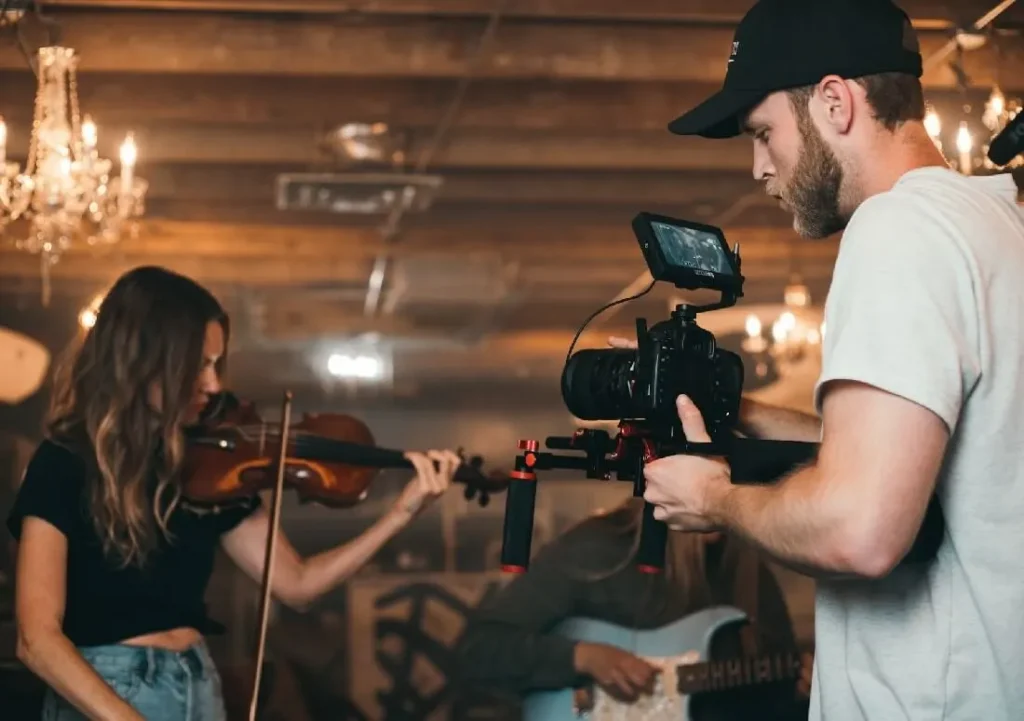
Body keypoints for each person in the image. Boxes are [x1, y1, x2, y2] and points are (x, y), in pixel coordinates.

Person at [636, 1, 1024, 720]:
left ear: (835, 102)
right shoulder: (999, 220)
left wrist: (714, 497)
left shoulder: (894, 229)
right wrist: (743, 415)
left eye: (762, 133)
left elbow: (860, 527)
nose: (758, 167)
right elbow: (940, 452)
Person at [5, 265, 463, 721]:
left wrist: (400, 514)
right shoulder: (62, 463)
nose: (214, 384)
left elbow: (297, 585)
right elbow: (36, 640)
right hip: (104, 693)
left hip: (198, 685)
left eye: (215, 364)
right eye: (198, 365)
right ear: (144, 361)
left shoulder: (209, 466)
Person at [456, 498, 812, 720]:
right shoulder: (600, 548)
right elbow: (479, 648)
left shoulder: (748, 572)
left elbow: (765, 699)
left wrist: (800, 694)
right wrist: (582, 657)